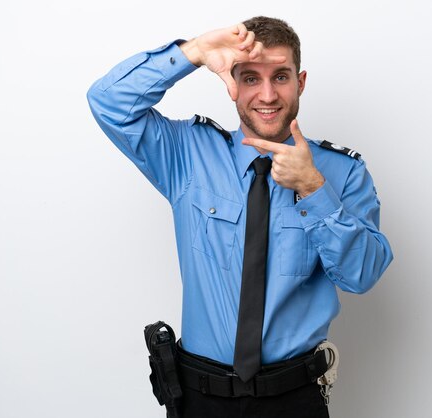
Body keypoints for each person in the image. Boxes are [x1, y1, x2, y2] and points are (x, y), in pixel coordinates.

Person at [87, 16, 393, 418]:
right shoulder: (189, 155)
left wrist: (314, 190)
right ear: (231, 82)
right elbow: (109, 103)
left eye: (280, 77)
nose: (267, 95)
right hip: (200, 397)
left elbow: (361, 276)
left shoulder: (342, 173)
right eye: (251, 78)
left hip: (294, 398)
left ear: (300, 82)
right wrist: (193, 52)